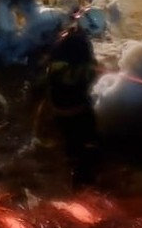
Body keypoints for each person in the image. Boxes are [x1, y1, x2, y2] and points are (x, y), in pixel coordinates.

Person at [37, 15, 101, 187]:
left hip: (59, 107)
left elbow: (52, 77)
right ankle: (83, 176)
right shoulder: (82, 48)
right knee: (85, 139)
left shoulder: (59, 48)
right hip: (76, 109)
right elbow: (87, 78)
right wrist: (91, 70)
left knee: (71, 143)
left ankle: (74, 166)